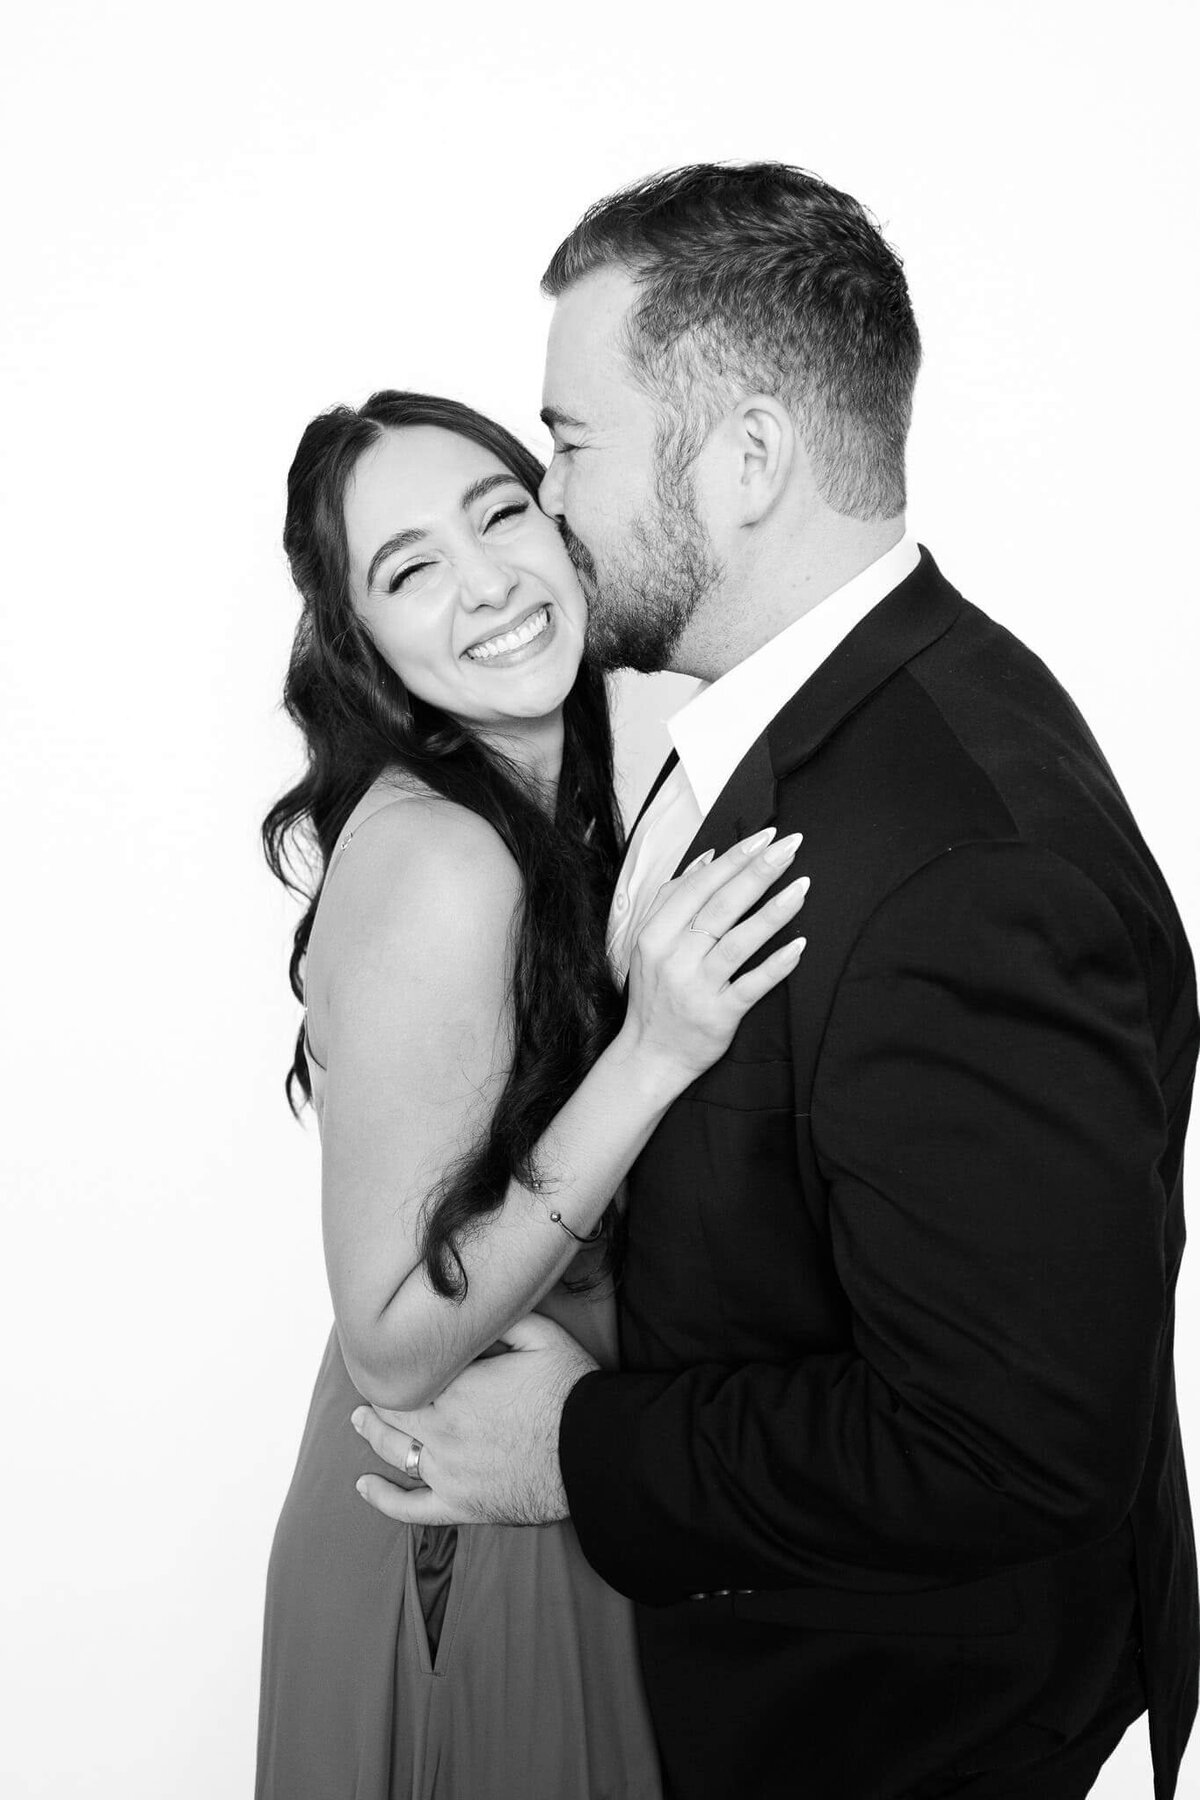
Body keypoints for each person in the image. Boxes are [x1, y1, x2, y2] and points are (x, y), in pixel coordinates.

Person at [352, 166, 1200, 1800]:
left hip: (897, 1736)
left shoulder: (967, 864)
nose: (548, 501)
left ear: (744, 461)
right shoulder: (782, 722)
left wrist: (574, 1458)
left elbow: (1003, 1445)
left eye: (572, 445)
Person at [255, 389, 811, 1800]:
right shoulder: (443, 860)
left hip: (557, 1468)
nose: (487, 580)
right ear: (363, 643)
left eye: (498, 512)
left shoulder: (572, 790)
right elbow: (391, 1347)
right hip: (458, 1518)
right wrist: (653, 1056)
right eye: (409, 569)